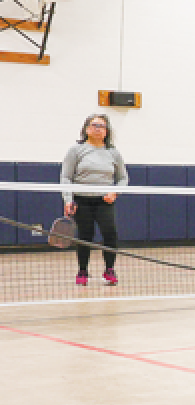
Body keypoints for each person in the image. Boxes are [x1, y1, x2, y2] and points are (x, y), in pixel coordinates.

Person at [61, 113, 128, 286]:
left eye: (102, 126)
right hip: (82, 200)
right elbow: (66, 177)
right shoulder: (75, 150)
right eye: (95, 125)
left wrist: (115, 192)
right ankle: (82, 271)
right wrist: (68, 199)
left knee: (110, 234)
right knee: (85, 236)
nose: (98, 128)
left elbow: (123, 178)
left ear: (107, 131)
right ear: (87, 129)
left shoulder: (113, 152)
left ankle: (110, 269)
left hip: (104, 201)